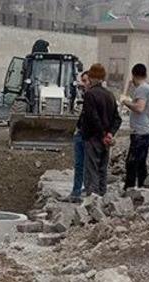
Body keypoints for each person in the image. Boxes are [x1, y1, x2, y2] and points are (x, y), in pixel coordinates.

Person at [80, 64, 121, 198]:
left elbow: (93, 118)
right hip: (105, 141)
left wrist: (103, 135)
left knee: (91, 171)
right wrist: (110, 134)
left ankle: (93, 202)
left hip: (93, 138)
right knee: (102, 170)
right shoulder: (110, 95)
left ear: (91, 78)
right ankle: (103, 198)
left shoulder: (90, 94)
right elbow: (117, 119)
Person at [120, 63, 149, 190]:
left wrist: (125, 102)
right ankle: (141, 187)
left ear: (134, 75)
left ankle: (129, 189)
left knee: (131, 162)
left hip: (140, 132)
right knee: (140, 163)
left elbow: (139, 108)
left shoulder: (141, 89)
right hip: (147, 131)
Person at [66, 71, 90, 203]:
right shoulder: (84, 96)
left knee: (86, 165)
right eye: (82, 81)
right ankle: (76, 191)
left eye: (85, 81)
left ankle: (85, 191)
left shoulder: (93, 97)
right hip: (80, 134)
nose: (82, 84)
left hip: (87, 136)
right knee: (79, 164)